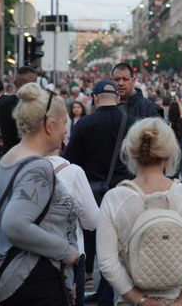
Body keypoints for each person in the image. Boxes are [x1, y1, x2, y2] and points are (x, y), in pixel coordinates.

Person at [97, 117, 182, 305]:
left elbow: (107, 262)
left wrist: (141, 299)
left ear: (133, 152)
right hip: (178, 298)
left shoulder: (115, 198)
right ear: (168, 155)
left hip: (132, 301)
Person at [0, 83, 80, 305]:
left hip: (11, 276)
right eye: (64, 123)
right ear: (49, 125)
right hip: (34, 279)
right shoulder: (38, 167)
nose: (65, 130)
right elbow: (15, 224)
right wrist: (67, 252)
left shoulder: (8, 157)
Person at [64, 79, 135, 300]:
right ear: (117, 97)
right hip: (123, 191)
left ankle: (84, 289)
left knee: (89, 243)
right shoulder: (131, 122)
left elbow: (71, 161)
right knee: (116, 245)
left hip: (90, 192)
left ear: (94, 98)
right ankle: (106, 291)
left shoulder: (84, 124)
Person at [47, 152, 100, 306]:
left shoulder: (13, 166)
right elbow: (92, 221)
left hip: (28, 257)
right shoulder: (72, 172)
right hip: (70, 255)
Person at [0, 66, 39, 153]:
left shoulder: (2, 101)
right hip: (30, 155)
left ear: (15, 83)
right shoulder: (38, 105)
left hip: (8, 155)